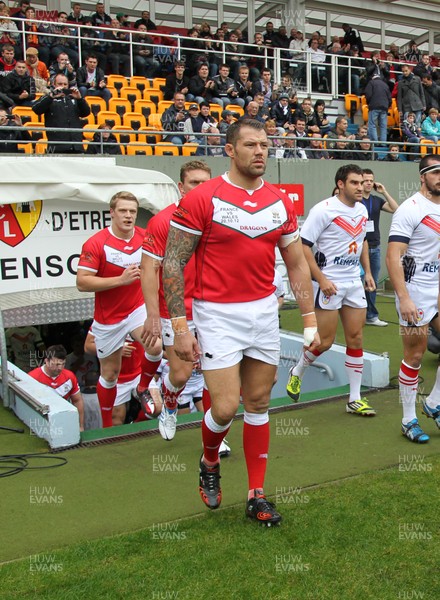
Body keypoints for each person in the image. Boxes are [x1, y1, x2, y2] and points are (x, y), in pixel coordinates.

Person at [162, 119, 319, 525]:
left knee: (260, 402)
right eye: (251, 144)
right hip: (217, 314)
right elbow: (173, 261)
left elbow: (297, 263)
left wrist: (308, 318)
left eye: (265, 144)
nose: (260, 151)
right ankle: (210, 459)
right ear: (230, 150)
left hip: (264, 311)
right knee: (227, 407)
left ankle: (257, 495)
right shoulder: (204, 198)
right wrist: (180, 326)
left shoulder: (280, 201)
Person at [286, 164, 377, 419]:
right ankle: (298, 371)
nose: (361, 187)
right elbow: (303, 246)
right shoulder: (323, 210)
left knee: (356, 338)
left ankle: (354, 399)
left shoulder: (362, 209)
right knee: (323, 342)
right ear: (340, 184)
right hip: (328, 283)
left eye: (363, 182)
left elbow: (363, 241)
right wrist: (321, 278)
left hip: (353, 282)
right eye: (355, 183)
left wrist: (367, 271)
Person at [76, 191, 163, 428]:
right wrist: (120, 280)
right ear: (112, 213)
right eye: (123, 211)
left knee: (155, 344)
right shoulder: (96, 243)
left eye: (132, 211)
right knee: (110, 374)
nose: (128, 216)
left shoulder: (146, 238)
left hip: (137, 308)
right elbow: (82, 282)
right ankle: (106, 427)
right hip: (108, 319)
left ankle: (143, 386)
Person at [141, 161, 212, 441]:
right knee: (181, 375)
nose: (201, 188)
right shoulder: (162, 222)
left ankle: (214, 436)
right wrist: (152, 315)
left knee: (213, 372)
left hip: (213, 308)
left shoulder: (218, 220)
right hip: (177, 310)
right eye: (195, 183)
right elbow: (149, 269)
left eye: (206, 182)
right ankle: (169, 402)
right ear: (181, 188)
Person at [386, 155, 440, 443]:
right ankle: (408, 419)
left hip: (438, 287)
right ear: (423, 176)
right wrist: (403, 297)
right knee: (415, 355)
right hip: (415, 290)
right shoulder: (411, 209)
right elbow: (393, 255)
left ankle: (434, 401)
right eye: (435, 172)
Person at [361, 169, 398, 326]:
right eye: (365, 180)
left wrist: (384, 192)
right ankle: (353, 314)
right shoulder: (355, 200)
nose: (369, 183)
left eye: (371, 180)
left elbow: (397, 209)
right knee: (356, 282)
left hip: (374, 246)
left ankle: (371, 316)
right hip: (356, 248)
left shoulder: (376, 200)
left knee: (372, 283)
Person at [29, 345, 85, 431]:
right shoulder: (32, 378)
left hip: (64, 419)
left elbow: (77, 400)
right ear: (46, 361)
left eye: (63, 364)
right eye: (56, 364)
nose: (60, 368)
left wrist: (80, 426)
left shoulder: (69, 376)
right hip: (42, 421)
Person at [32, 73, 90, 154]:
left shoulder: (74, 98)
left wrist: (80, 99)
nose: (63, 86)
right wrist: (51, 97)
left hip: (76, 146)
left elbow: (86, 112)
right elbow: (36, 109)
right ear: (53, 84)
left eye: (65, 84)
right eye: (60, 84)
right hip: (57, 147)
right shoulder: (49, 98)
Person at [365, 74, 391, 144]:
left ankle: (374, 142)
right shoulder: (385, 85)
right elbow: (389, 98)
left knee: (372, 124)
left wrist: (368, 103)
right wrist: (388, 106)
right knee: (383, 126)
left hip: (374, 106)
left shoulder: (371, 83)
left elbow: (368, 94)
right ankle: (383, 143)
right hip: (384, 107)